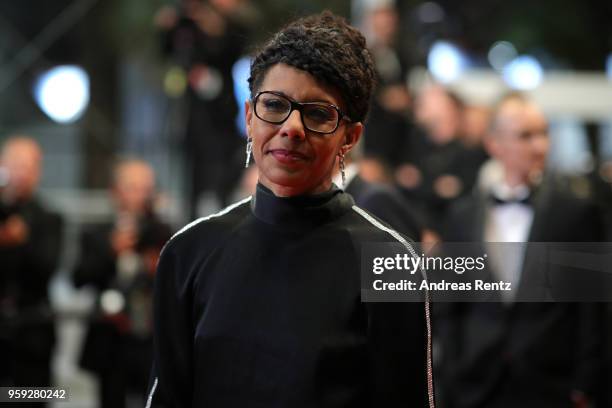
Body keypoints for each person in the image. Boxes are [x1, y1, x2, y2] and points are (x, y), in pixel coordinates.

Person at [146, 11, 431, 408]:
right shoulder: (187, 251)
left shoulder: (389, 260)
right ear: (249, 117)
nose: (292, 127)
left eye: (317, 114)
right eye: (275, 105)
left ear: (349, 137)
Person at [437, 94, 605, 408]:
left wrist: (586, 384)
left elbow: (592, 309)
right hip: (476, 383)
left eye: (544, 133)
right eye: (526, 136)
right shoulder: (461, 215)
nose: (540, 145)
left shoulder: (577, 213)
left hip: (551, 384)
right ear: (494, 144)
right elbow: (450, 305)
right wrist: (452, 372)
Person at [72, 159, 171, 408]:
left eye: (145, 188)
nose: (139, 195)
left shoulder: (164, 232)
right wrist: (110, 251)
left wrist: (154, 265)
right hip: (109, 340)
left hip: (149, 339)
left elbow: (174, 283)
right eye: (132, 187)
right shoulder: (96, 233)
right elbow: (78, 278)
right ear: (114, 191)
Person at [0, 136, 63, 406]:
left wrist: (21, 241)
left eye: (28, 166)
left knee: (35, 398)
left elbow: (48, 268)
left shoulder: (50, 218)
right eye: (15, 164)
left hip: (33, 335)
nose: (21, 173)